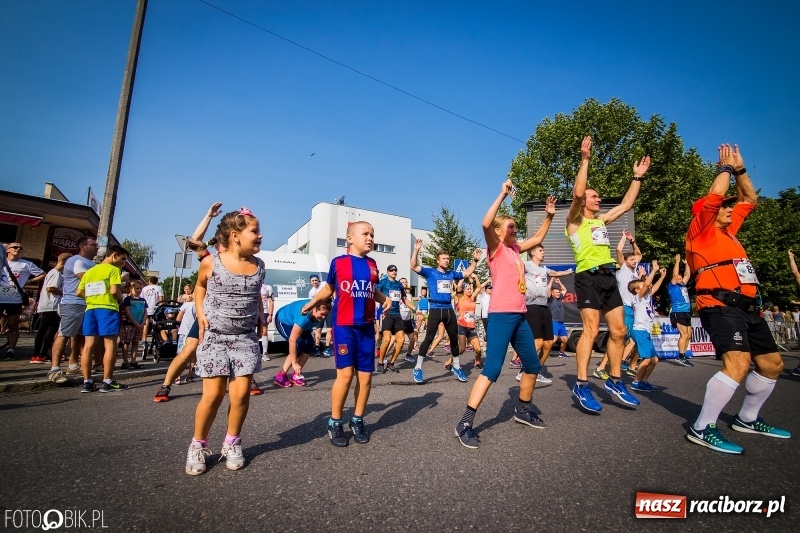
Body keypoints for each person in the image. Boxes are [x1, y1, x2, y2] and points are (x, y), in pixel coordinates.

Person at [685, 144, 790, 454]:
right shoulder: (701, 230)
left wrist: (741, 170)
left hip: (748, 308)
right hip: (718, 304)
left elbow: (750, 199)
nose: (730, 209)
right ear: (708, 212)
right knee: (738, 363)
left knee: (772, 365)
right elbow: (714, 197)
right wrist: (725, 170)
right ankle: (702, 427)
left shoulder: (729, 231)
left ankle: (747, 418)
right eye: (724, 207)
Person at [453, 186, 556, 449]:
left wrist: (549, 216)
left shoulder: (516, 250)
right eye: (510, 227)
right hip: (500, 316)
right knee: (493, 369)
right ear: (499, 233)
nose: (515, 230)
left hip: (520, 316)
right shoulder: (496, 249)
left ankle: (522, 409)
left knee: (532, 365)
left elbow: (537, 238)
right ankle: (464, 423)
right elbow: (486, 222)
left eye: (515, 227)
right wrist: (501, 195)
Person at [566, 136, 650, 413]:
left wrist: (636, 178)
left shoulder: (601, 220)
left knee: (619, 330)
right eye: (595, 195)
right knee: (590, 331)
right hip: (587, 277)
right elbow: (578, 194)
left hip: (607, 278)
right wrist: (585, 159)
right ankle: (581, 383)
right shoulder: (576, 222)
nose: (598, 198)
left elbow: (626, 204)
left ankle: (615, 380)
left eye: (597, 196)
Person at [186, 208, 265, 475]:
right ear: (235, 235)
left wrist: (261, 314)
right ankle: (198, 445)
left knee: (241, 394)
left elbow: (255, 296)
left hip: (245, 338)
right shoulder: (212, 262)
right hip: (215, 338)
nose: (260, 235)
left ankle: (232, 442)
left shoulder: (259, 266)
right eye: (254, 231)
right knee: (213, 395)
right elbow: (200, 286)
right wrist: (199, 312)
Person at [301, 221, 388, 447]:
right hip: (344, 326)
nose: (370, 238)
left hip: (367, 327)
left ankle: (357, 419)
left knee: (366, 377)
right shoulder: (338, 263)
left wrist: (385, 299)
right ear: (349, 238)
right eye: (365, 234)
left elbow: (373, 289)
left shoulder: (373, 264)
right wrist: (312, 303)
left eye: (372, 234)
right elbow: (330, 288)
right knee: (346, 375)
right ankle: (335, 421)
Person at [154, 201, 224, 402]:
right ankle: (166, 385)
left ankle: (248, 382)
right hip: (209, 313)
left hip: (231, 315)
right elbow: (195, 240)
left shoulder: (241, 261)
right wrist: (209, 216)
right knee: (188, 350)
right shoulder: (212, 261)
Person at [410, 241, 481, 384]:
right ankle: (417, 368)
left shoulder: (451, 274)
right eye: (444, 258)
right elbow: (413, 266)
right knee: (429, 338)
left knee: (454, 340)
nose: (446, 260)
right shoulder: (430, 272)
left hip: (448, 309)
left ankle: (456, 366)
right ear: (438, 260)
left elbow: (467, 272)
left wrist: (474, 261)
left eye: (448, 258)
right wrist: (416, 250)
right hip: (435, 308)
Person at [77, 244, 129, 393]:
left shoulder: (90, 271)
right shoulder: (113, 270)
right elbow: (114, 291)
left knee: (88, 346)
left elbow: (79, 292)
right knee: (110, 345)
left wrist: (93, 297)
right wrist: (120, 299)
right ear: (113, 256)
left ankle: (87, 382)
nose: (123, 263)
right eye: (122, 259)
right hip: (108, 309)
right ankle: (107, 381)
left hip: (91, 309)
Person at [517, 245, 573, 384]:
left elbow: (553, 273)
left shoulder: (544, 269)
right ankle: (523, 370)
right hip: (531, 306)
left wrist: (566, 272)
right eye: (541, 251)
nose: (543, 253)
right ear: (532, 253)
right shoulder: (527, 265)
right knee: (538, 342)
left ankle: (536, 370)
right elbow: (515, 268)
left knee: (548, 344)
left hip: (544, 306)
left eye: (543, 251)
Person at [49, 237, 98, 375]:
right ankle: (55, 369)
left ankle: (73, 364)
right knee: (64, 333)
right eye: (93, 244)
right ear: (82, 246)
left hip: (87, 303)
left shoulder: (92, 263)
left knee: (78, 335)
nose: (97, 247)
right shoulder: (76, 260)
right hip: (73, 302)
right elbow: (86, 278)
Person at [273, 298, 332, 388]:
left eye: (326, 315)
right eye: (322, 314)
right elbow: (292, 340)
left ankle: (296, 375)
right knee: (297, 345)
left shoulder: (316, 312)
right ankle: (281, 376)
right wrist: (294, 363)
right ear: (315, 309)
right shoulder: (303, 318)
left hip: (298, 321)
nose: (323, 317)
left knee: (309, 344)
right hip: (284, 320)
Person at [1, 242, 45, 360]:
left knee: (13, 324)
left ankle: (11, 350)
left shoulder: (26, 264)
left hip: (14, 298)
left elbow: (42, 274)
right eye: (15, 247)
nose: (18, 249)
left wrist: (29, 281)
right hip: (0, 297)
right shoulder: (2, 261)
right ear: (8, 250)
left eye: (20, 247)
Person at [628, 262, 668, 392]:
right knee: (646, 358)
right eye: (642, 286)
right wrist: (653, 271)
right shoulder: (637, 297)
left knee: (654, 360)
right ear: (637, 289)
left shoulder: (646, 297)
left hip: (646, 331)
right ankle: (636, 382)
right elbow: (646, 284)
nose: (647, 286)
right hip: (640, 330)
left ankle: (643, 381)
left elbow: (653, 288)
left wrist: (661, 277)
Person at [376, 265, 416, 374]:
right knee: (387, 339)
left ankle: (391, 363)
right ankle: (380, 362)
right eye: (391, 270)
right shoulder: (383, 282)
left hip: (398, 315)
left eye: (395, 270)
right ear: (387, 271)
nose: (394, 272)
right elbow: (374, 294)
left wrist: (415, 308)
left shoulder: (399, 285)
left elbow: (404, 300)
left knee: (401, 340)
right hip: (387, 314)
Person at [32, 253, 69, 370]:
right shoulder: (56, 273)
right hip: (51, 305)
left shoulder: (56, 273)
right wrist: (64, 293)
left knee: (47, 330)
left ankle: (40, 354)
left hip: (50, 306)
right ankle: (40, 354)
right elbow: (51, 288)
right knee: (48, 330)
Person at [667, 253, 694, 367]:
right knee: (683, 335)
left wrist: (687, 264)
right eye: (678, 278)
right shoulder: (672, 286)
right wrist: (677, 262)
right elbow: (675, 274)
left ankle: (684, 355)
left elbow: (688, 274)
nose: (680, 278)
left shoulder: (683, 285)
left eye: (681, 278)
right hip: (678, 312)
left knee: (688, 335)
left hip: (686, 312)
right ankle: (681, 356)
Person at [140, 275, 164, 355]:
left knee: (146, 323)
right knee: (156, 323)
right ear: (156, 281)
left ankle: (144, 339)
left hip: (146, 308)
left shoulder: (144, 288)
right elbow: (161, 299)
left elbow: (142, 299)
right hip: (155, 308)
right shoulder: (159, 288)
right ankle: (158, 339)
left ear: (149, 281)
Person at [548, 279, 569, 358]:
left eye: (558, 292)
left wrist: (559, 282)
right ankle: (542, 351)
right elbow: (548, 290)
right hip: (554, 321)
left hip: (561, 322)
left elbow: (564, 290)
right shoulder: (550, 299)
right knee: (554, 339)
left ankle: (561, 353)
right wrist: (550, 282)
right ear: (552, 294)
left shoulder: (559, 298)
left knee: (565, 340)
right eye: (556, 292)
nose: (558, 294)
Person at [259, 282, 274, 360]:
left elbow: (271, 301)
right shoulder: (252, 284)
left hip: (264, 311)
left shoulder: (268, 287)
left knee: (264, 332)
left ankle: (265, 353)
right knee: (252, 332)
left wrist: (270, 314)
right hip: (254, 311)